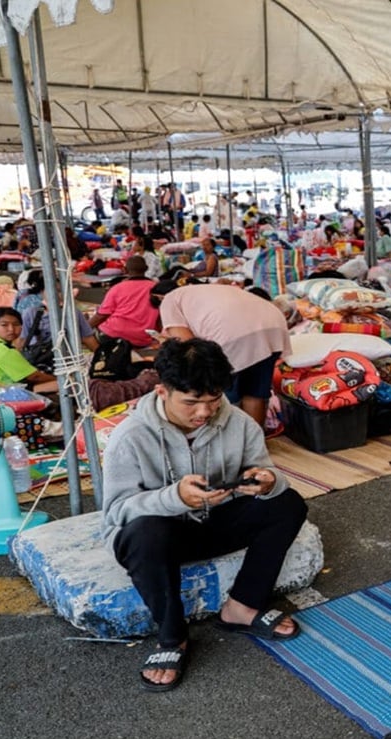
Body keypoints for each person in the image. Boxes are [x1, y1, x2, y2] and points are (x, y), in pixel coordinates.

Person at [101, 338, 307, 691]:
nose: (204, 413)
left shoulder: (239, 422)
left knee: (288, 502)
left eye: (213, 401)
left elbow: (265, 469)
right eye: (192, 402)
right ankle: (172, 638)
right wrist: (174, 498)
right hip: (161, 538)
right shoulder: (130, 436)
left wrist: (267, 480)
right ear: (163, 391)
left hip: (215, 522)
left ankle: (241, 608)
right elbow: (118, 512)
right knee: (146, 532)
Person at [151, 278, 291, 427]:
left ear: (160, 298)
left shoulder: (169, 301)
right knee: (255, 392)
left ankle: (225, 441)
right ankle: (254, 442)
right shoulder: (204, 290)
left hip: (232, 335)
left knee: (220, 394)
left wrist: (165, 343)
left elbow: (188, 347)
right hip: (274, 324)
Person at [0, 307, 58, 393]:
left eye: (16, 324)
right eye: (4, 325)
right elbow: (35, 377)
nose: (11, 329)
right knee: (60, 385)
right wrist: (58, 380)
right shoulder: (3, 350)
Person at [89, 256, 160, 348]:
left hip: (114, 335)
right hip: (142, 338)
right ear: (146, 269)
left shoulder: (117, 288)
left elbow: (101, 315)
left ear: (125, 270)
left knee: (89, 335)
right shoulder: (156, 288)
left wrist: (85, 327)